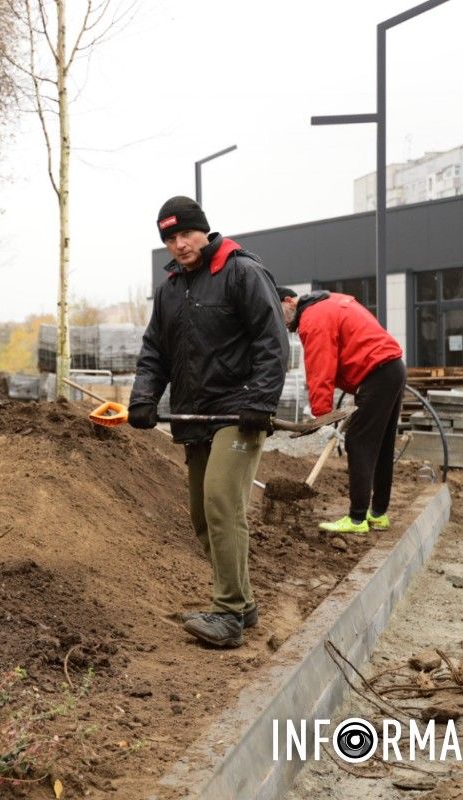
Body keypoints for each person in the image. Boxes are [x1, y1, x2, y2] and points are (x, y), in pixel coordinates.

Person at [129, 196, 288, 649]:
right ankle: (245, 603)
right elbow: (154, 352)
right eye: (170, 238)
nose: (179, 245)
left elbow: (272, 341)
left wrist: (260, 400)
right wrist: (143, 398)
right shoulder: (171, 289)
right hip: (194, 413)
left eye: (185, 234)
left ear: (204, 230)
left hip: (239, 413)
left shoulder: (241, 272)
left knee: (221, 502)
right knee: (202, 515)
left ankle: (229, 613)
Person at [276, 287, 407, 535]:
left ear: (289, 301)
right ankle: (378, 514)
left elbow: (320, 368)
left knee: (359, 442)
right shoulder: (328, 302)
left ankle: (357, 519)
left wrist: (322, 416)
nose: (277, 321)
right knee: (381, 444)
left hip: (376, 374)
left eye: (276, 312)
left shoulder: (312, 318)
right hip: (390, 369)